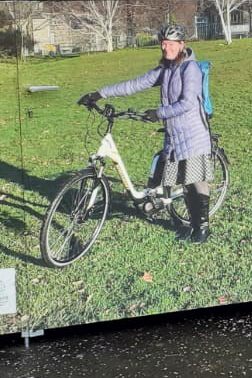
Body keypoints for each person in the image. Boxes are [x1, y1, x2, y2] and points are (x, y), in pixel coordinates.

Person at [78, 24, 215, 243]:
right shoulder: (166, 69)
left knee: (195, 181)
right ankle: (191, 224)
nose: (165, 47)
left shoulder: (191, 69)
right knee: (182, 181)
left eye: (170, 43)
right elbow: (135, 84)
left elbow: (188, 103)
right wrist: (99, 93)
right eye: (163, 43)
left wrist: (158, 113)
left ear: (181, 45)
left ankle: (203, 227)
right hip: (174, 135)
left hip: (193, 133)